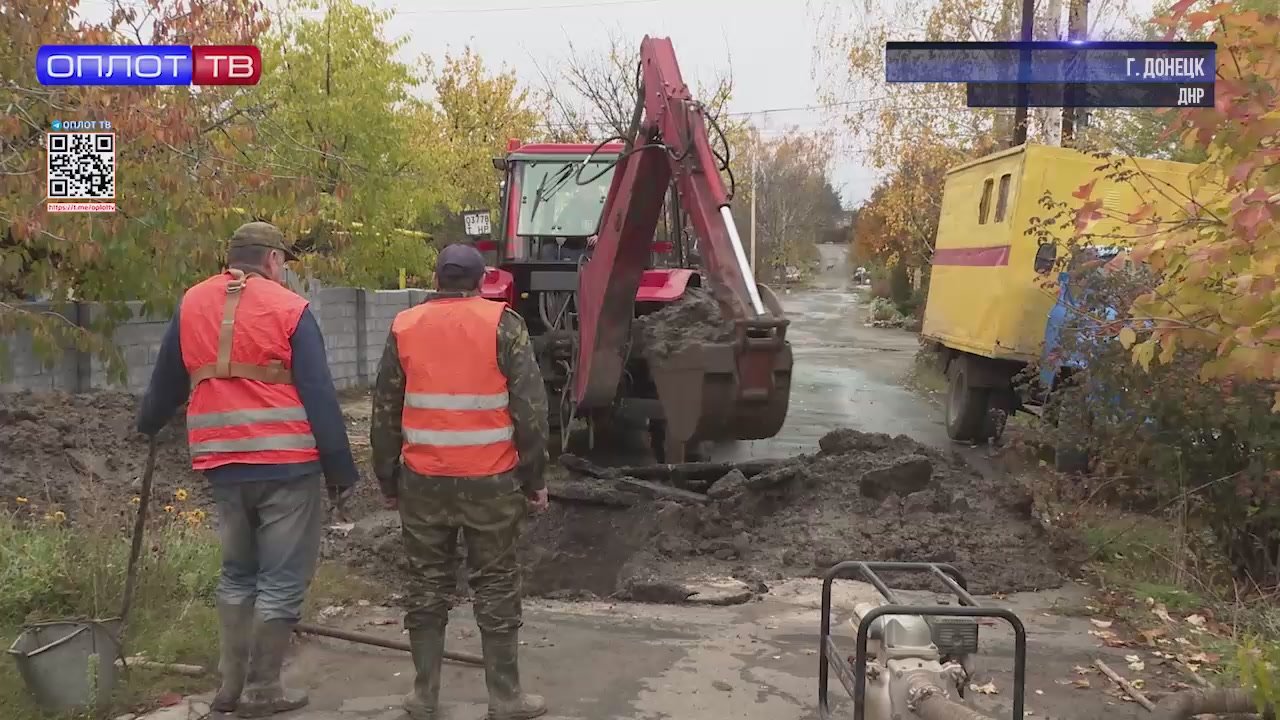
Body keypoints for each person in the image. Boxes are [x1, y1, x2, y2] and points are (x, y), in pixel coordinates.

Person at [137, 221, 358, 718]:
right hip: (287, 465)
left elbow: (167, 380)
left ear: (231, 257)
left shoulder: (193, 301)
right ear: (274, 260)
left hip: (221, 462)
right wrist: (341, 470)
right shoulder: (289, 308)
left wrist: (147, 424)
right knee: (281, 578)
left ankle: (227, 688)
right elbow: (320, 396)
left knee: (237, 573)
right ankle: (263, 691)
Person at [370, 243, 550, 720]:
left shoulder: (405, 326)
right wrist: (535, 478)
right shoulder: (503, 325)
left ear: (437, 278)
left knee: (426, 584)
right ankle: (505, 698)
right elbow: (531, 412)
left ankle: (424, 696)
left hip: (423, 480)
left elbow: (385, 408)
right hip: (492, 480)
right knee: (495, 583)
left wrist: (387, 477)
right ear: (480, 281)